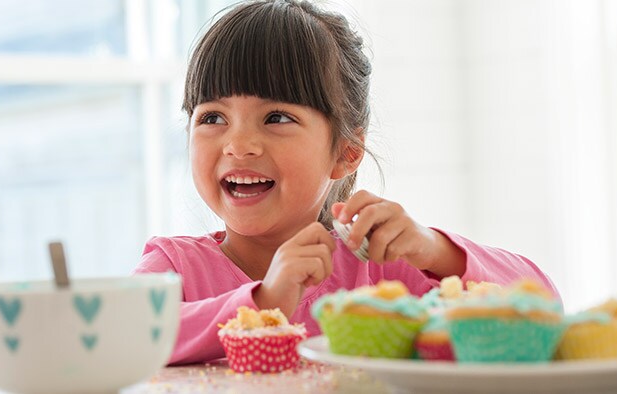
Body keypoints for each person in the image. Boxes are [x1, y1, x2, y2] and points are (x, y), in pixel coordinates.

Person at [133, 0, 560, 364]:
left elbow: (544, 307)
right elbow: (128, 338)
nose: (238, 144)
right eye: (212, 118)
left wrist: (434, 250)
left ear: (346, 152)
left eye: (277, 117)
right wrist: (263, 301)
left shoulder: (380, 269)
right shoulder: (174, 269)